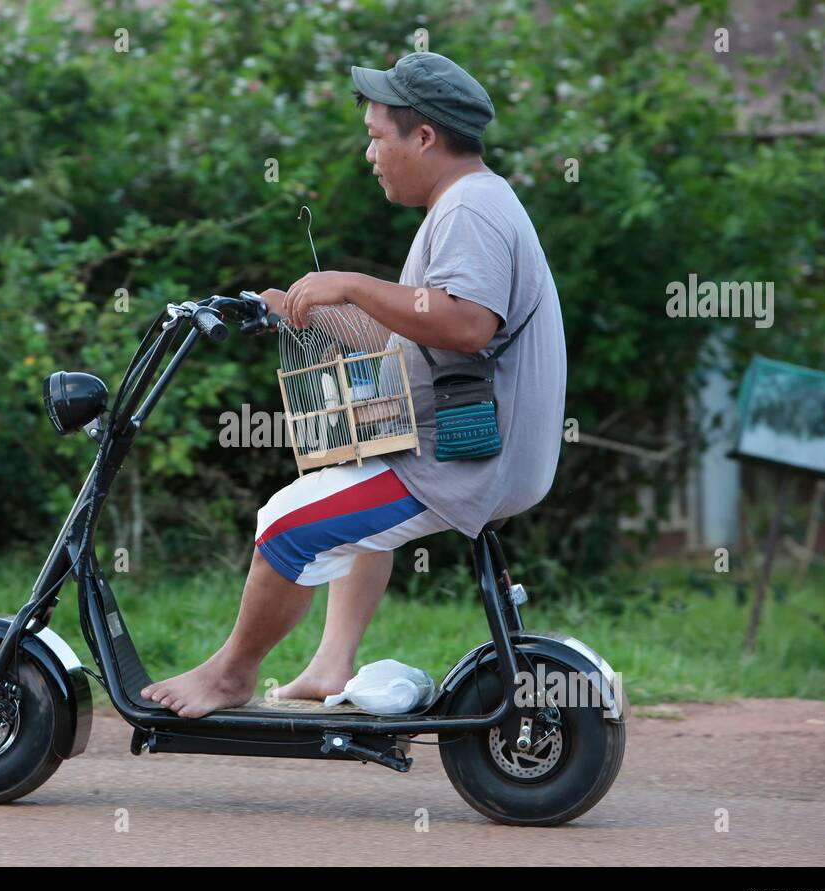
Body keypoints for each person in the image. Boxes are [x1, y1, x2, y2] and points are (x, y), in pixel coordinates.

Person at [141, 52, 567, 718]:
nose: (371, 154)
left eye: (376, 136)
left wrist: (350, 283)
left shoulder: (470, 210)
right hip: (476, 452)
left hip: (464, 463)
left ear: (422, 136)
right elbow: (415, 336)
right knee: (351, 472)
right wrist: (305, 309)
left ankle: (229, 676)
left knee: (286, 522)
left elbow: (468, 326)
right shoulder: (468, 203)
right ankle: (331, 664)